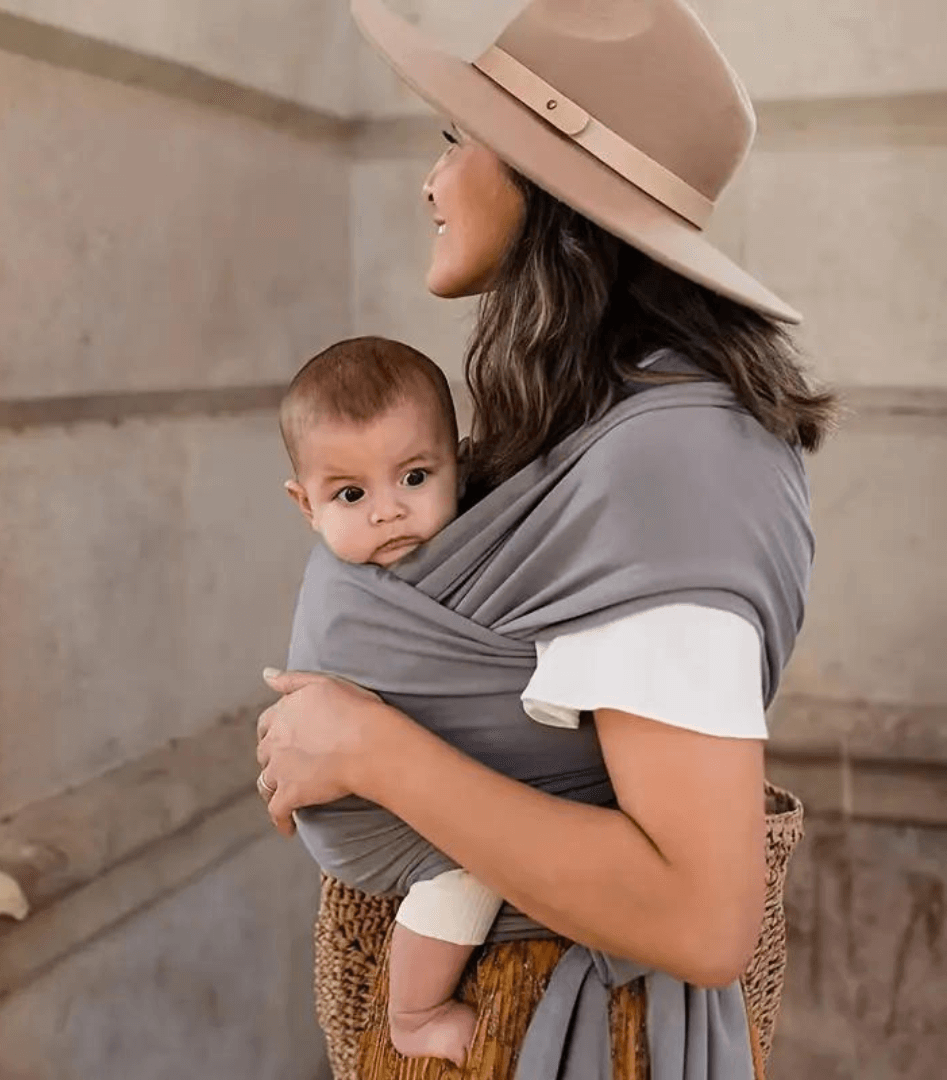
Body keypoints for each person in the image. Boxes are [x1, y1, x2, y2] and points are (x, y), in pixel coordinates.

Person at [256, 1, 837, 1077]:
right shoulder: (598, 427)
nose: (431, 182)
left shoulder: (673, 466)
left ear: (544, 183)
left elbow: (705, 917)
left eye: (455, 139)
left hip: (558, 1033)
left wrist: (368, 749)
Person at [279, 336, 510, 1064]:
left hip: (391, 775)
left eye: (414, 477)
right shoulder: (347, 599)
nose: (388, 512)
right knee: (476, 868)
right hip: (364, 816)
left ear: (459, 469)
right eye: (350, 495)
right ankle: (416, 1013)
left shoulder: (463, 556)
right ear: (306, 506)